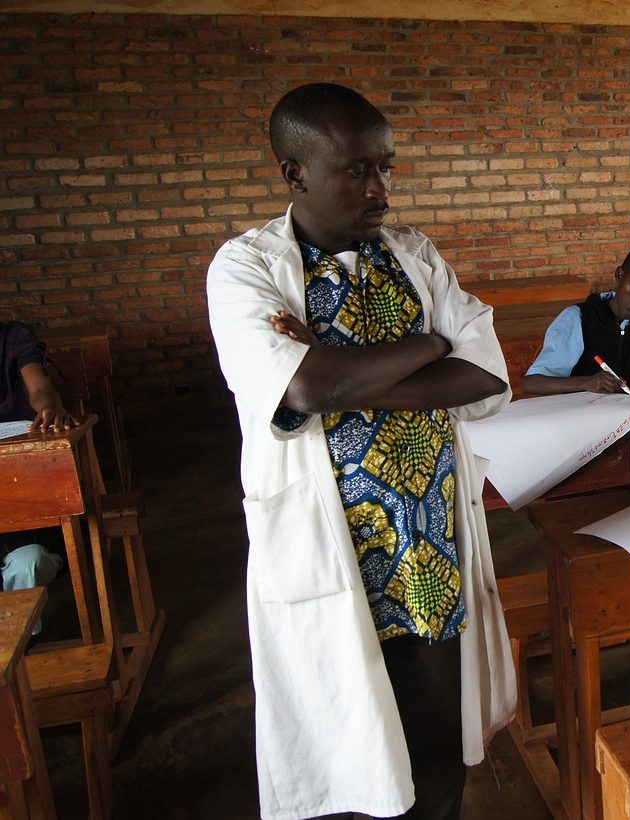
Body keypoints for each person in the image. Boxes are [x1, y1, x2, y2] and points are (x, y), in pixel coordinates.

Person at [205, 82, 516, 820]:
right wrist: (428, 346)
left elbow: (485, 373)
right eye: (358, 170)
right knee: (347, 752)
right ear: (296, 174)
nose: (381, 188)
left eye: (387, 166)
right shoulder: (245, 270)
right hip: (331, 549)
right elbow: (309, 389)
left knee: (438, 753)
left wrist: (366, 369)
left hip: (427, 551)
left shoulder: (412, 255)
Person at [522, 246, 630, 395]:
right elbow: (532, 382)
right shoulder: (578, 318)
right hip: (580, 414)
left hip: (628, 414)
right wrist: (585, 383)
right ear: (620, 275)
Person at [0, 321, 72, 619]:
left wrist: (48, 408)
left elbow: (39, 387)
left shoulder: (12, 337)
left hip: (23, 482)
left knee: (29, 560)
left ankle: (24, 640)